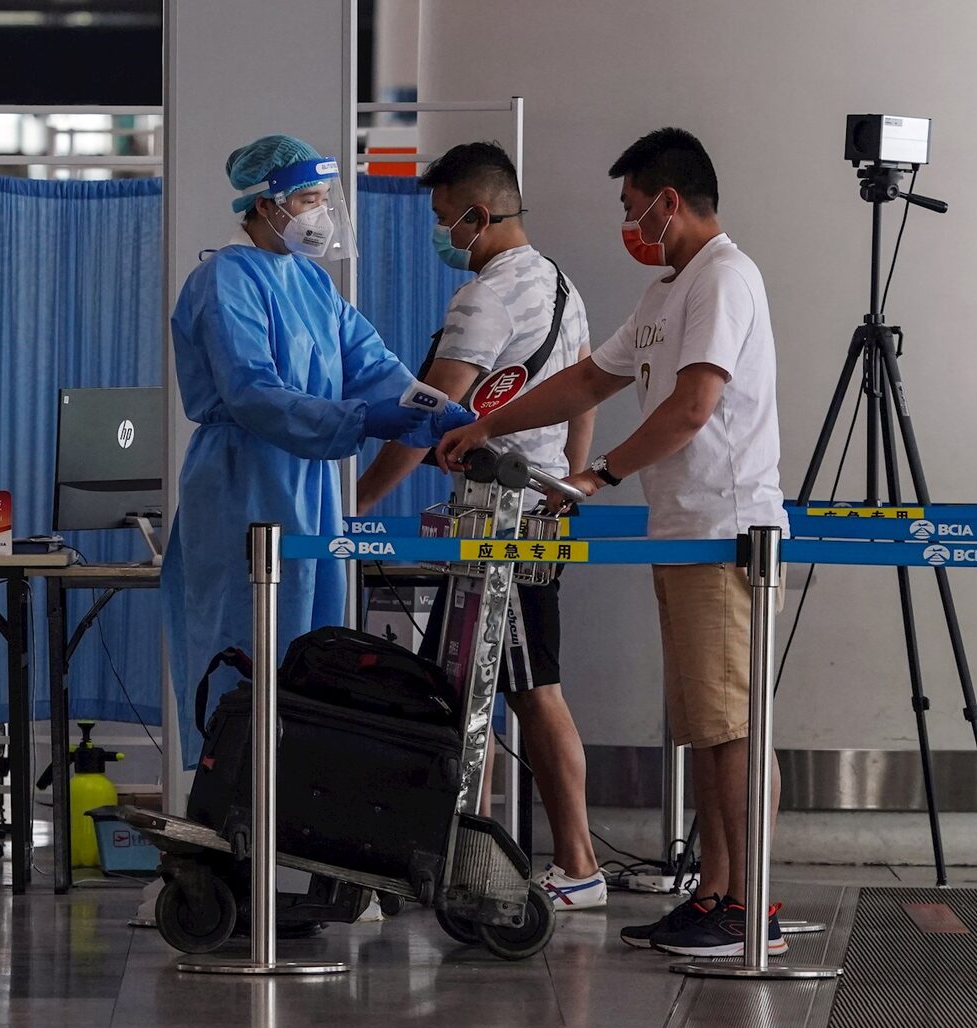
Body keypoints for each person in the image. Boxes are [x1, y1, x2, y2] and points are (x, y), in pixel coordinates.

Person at [439, 128, 788, 957]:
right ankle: (717, 894)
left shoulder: (725, 277)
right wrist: (489, 422)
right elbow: (590, 378)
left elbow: (694, 406)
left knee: (735, 727)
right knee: (708, 728)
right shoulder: (669, 290)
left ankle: (754, 910)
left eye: (633, 208)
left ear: (669, 201)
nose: (628, 225)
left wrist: (597, 473)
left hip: (723, 529)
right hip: (683, 532)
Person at [162, 133, 471, 773]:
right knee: (245, 646)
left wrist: (436, 412)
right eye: (308, 199)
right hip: (244, 482)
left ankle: (298, 809)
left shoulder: (311, 282)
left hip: (312, 483)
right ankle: (233, 809)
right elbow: (252, 393)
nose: (321, 213)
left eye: (325, 198)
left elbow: (374, 365)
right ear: (264, 204)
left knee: (313, 649)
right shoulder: (224, 279)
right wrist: (364, 419)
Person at [356, 141, 605, 910]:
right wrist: (569, 480)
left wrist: (358, 502)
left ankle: (577, 864)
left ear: (478, 212)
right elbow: (584, 394)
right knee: (472, 692)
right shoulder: (560, 284)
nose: (442, 233)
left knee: (531, 691)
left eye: (444, 218)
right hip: (536, 508)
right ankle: (465, 853)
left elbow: (427, 414)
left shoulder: (485, 297)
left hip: (501, 522)